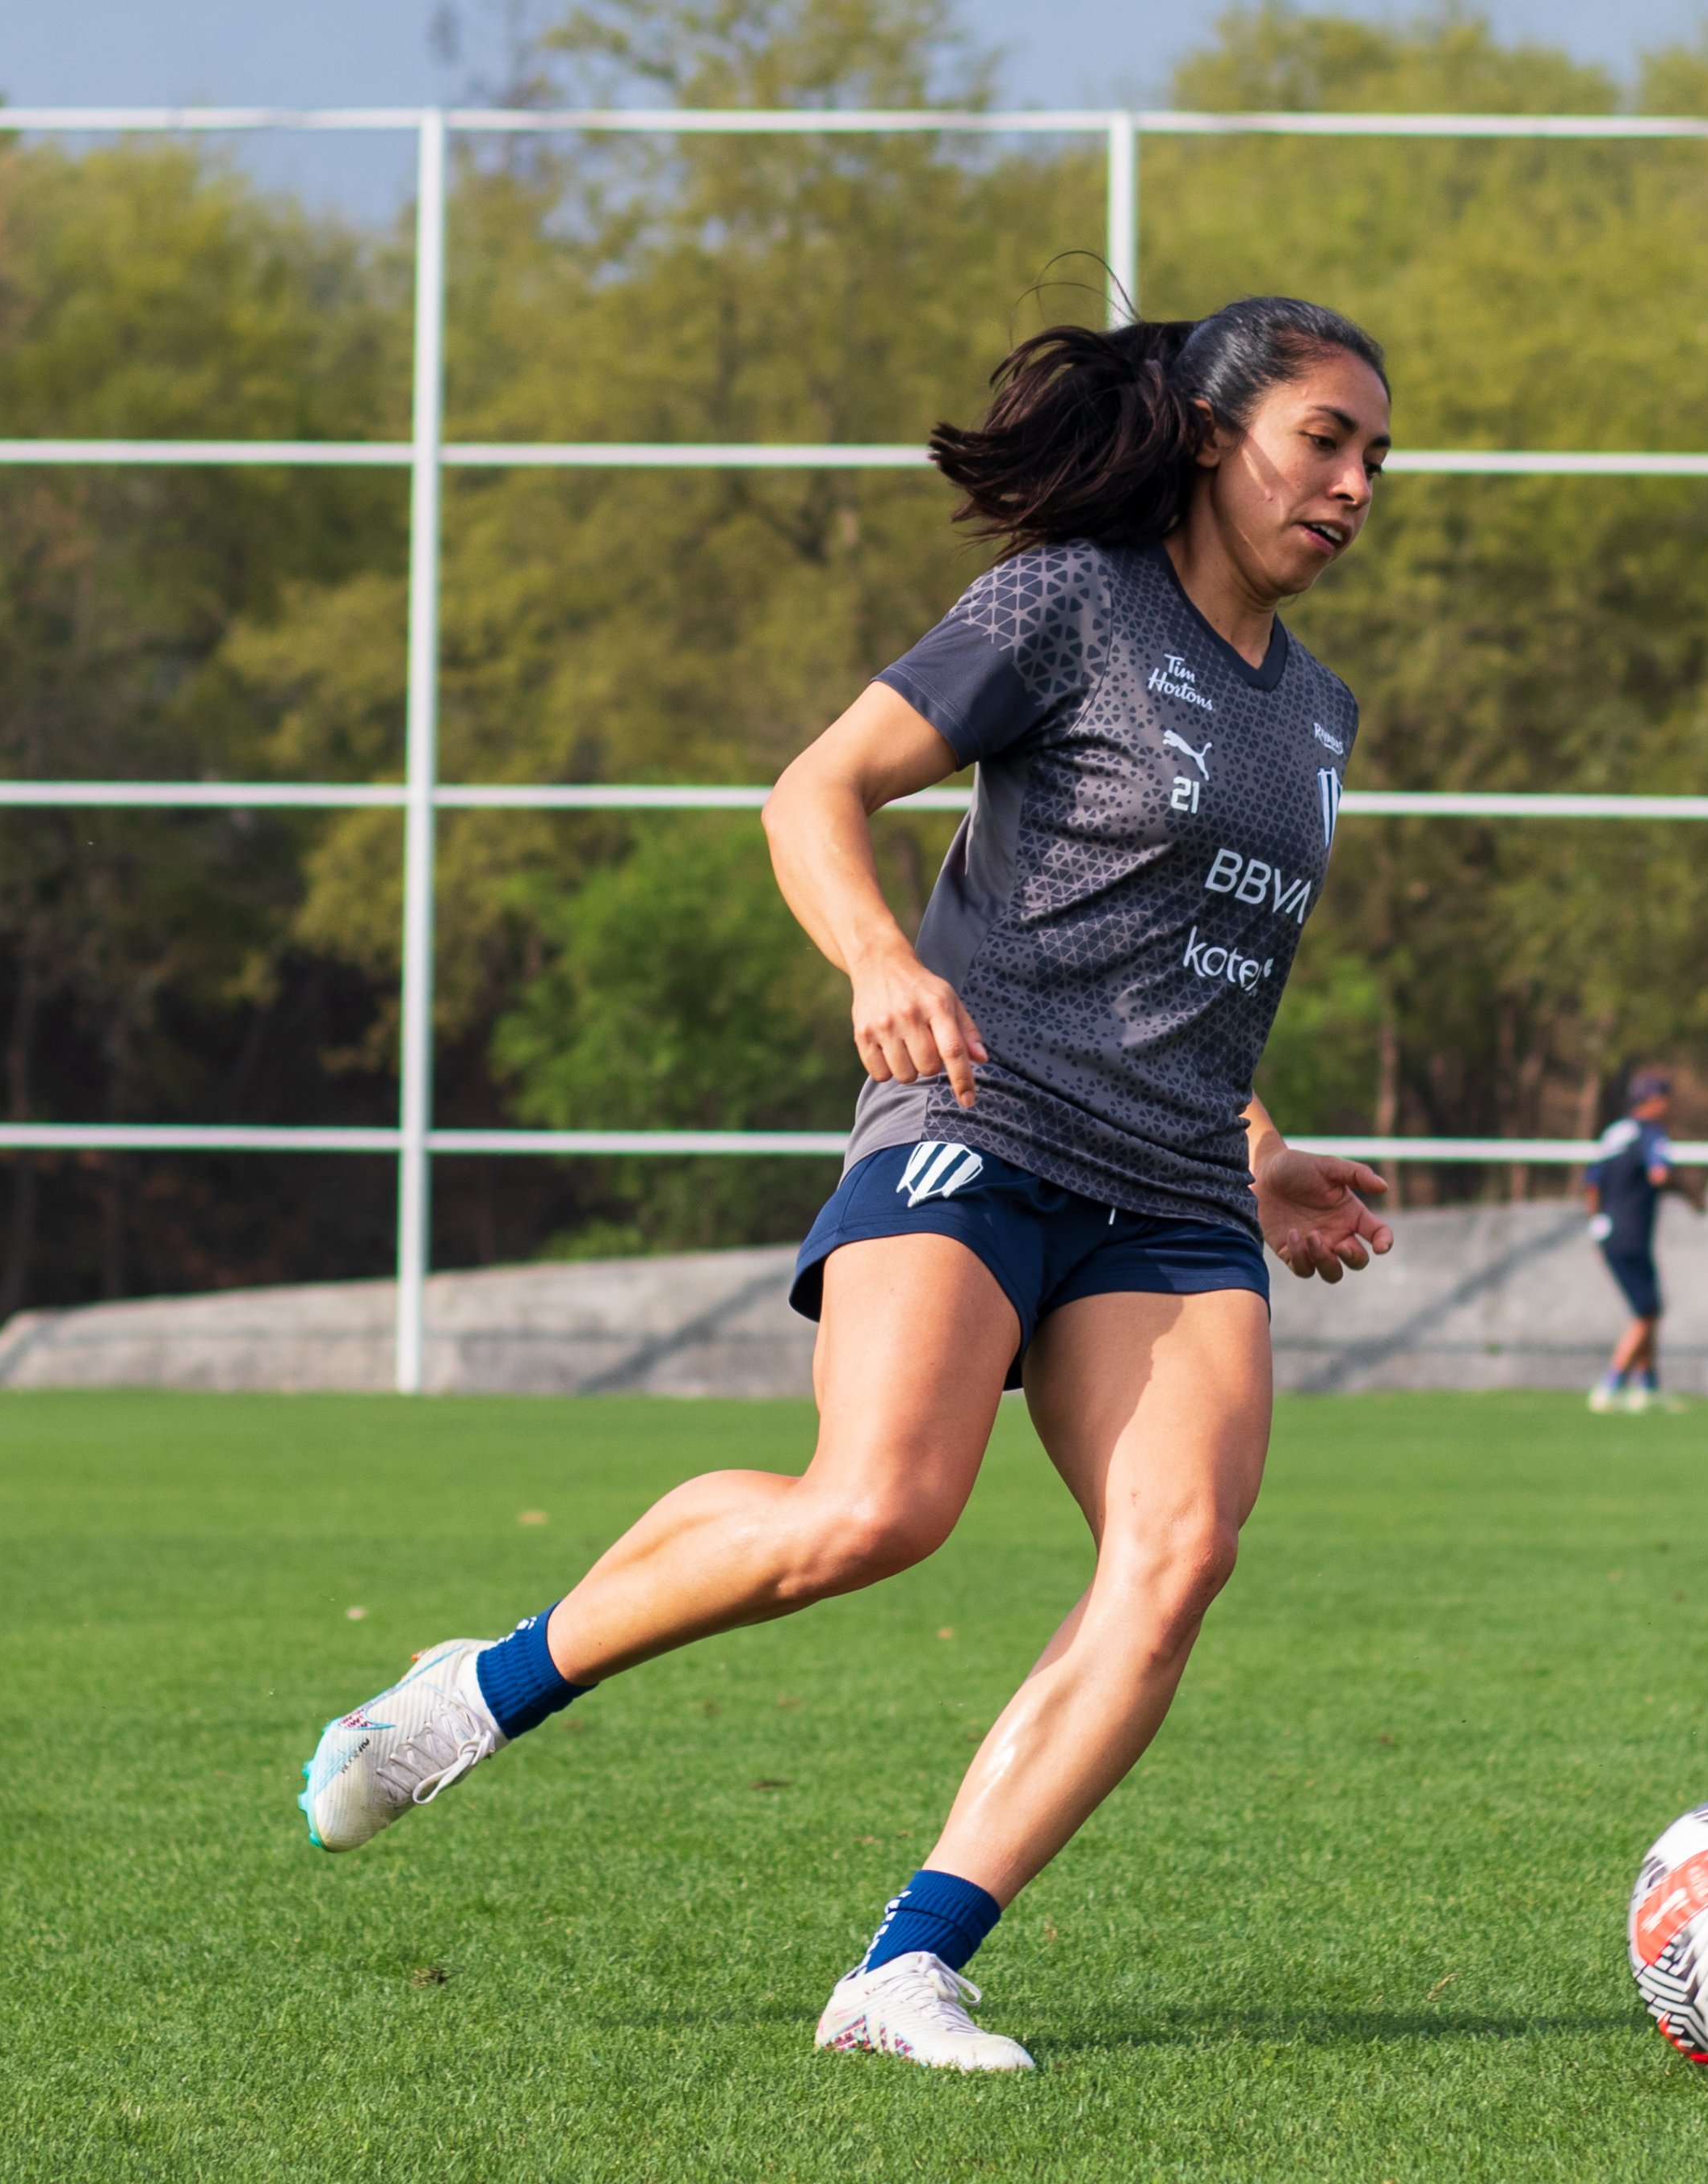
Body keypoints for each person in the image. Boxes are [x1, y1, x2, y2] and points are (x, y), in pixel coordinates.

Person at [294, 296, 1401, 2071]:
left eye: (1373, 458)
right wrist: (883, 961)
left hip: (1176, 1189)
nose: (1350, 484)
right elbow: (813, 793)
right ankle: (480, 1691)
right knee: (876, 1509)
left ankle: (906, 1970)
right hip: (978, 1114)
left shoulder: (1319, 714)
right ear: (1210, 432)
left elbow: (1193, 967)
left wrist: (1259, 1155)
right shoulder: (1067, 606)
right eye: (1320, 440)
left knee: (1175, 1557)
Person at [1581, 1071, 1705, 1411]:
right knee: (1647, 1312)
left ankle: (1647, 1387)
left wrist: (1596, 1223)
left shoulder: (1613, 1133)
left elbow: (1592, 1183)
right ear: (1654, 1101)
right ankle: (1611, 1384)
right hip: (1633, 1234)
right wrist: (1693, 1194)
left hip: (1609, 1232)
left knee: (1650, 1307)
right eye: (1668, 1099)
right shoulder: (1651, 1133)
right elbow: (1660, 1173)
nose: (1671, 1107)